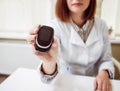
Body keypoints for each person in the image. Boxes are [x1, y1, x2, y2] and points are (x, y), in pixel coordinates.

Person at [28, 0, 114, 91]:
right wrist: (49, 62)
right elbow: (51, 65)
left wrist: (104, 73)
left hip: (93, 83)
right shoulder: (55, 26)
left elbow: (106, 59)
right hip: (65, 82)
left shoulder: (102, 25)